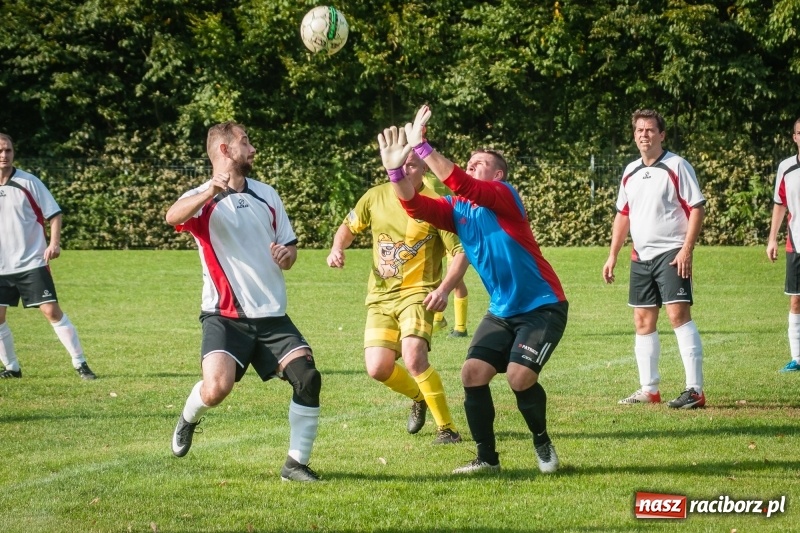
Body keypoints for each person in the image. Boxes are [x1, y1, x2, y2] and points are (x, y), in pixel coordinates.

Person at [378, 106, 569, 475]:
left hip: (543, 305)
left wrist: (422, 148)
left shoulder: (503, 195)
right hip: (502, 310)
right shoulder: (457, 209)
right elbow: (415, 206)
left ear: (497, 175)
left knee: (519, 377)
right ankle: (487, 460)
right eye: (470, 160)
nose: (470, 164)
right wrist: (395, 171)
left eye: (479, 162)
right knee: (472, 374)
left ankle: (542, 441)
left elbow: (462, 183)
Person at [166, 122, 322, 482]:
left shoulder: (268, 194)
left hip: (272, 316)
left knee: (308, 378)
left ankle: (294, 465)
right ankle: (189, 418)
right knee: (216, 389)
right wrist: (208, 192)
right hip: (225, 316)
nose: (252, 148)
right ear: (224, 150)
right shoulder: (202, 199)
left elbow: (290, 246)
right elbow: (172, 217)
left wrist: (287, 255)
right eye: (245, 141)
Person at [327, 150, 467, 444]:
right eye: (398, 165)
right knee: (378, 368)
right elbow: (348, 227)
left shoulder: (435, 204)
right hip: (380, 296)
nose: (402, 171)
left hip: (419, 293)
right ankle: (420, 397)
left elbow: (460, 253)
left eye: (411, 165)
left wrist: (443, 290)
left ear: (423, 170)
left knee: (415, 357)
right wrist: (337, 248)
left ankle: (448, 430)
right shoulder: (374, 196)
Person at [602, 109, 707, 409]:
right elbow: (623, 215)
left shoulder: (677, 165)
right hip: (640, 256)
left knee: (677, 316)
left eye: (650, 130)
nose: (644, 135)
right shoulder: (630, 171)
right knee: (642, 320)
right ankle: (649, 389)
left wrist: (687, 249)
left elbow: (696, 207)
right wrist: (612, 255)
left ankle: (695, 390)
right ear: (634, 136)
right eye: (639, 130)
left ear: (662, 135)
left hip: (672, 253)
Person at [0, 133, 96, 380]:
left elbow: (54, 214)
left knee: (51, 311)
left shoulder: (28, 182)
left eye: (8, 150)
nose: (4, 155)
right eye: (0, 151)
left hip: (31, 261)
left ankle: (81, 364)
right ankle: (12, 368)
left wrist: (54, 243)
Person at [767, 117, 800, 373]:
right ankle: (797, 358)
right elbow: (780, 203)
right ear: (794, 137)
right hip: (795, 243)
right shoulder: (786, 168)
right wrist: (772, 238)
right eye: (799, 133)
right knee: (796, 300)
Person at [423, 174, 471, 338]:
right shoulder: (424, 179)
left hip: (450, 231)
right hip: (436, 231)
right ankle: (438, 319)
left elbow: (439, 206)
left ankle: (460, 327)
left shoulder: (429, 182)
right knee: (430, 272)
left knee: (455, 278)